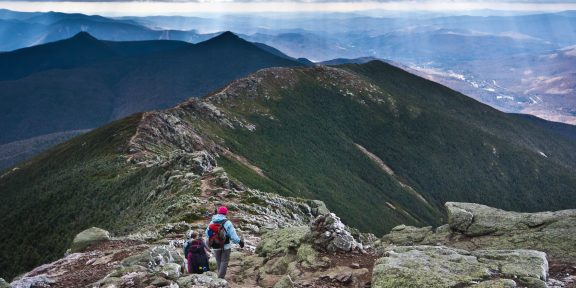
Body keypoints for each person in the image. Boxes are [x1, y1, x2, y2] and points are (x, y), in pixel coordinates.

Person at [205, 206, 244, 279]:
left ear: (219, 212)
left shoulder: (212, 221)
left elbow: (207, 233)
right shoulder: (227, 222)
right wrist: (240, 242)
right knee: (224, 262)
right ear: (226, 213)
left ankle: (219, 277)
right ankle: (220, 278)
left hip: (215, 245)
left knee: (219, 261)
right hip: (225, 245)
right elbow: (233, 236)